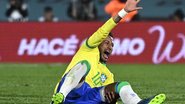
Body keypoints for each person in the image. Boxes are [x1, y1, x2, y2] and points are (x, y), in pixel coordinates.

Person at [51, 0, 166, 103]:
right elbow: (104, 30)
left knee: (122, 85)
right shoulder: (88, 49)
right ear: (98, 43)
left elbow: (107, 98)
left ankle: (138, 103)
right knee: (83, 65)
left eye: (112, 45)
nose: (110, 47)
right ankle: (60, 96)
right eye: (106, 43)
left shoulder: (108, 75)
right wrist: (124, 11)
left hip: (87, 99)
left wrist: (111, 100)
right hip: (70, 94)